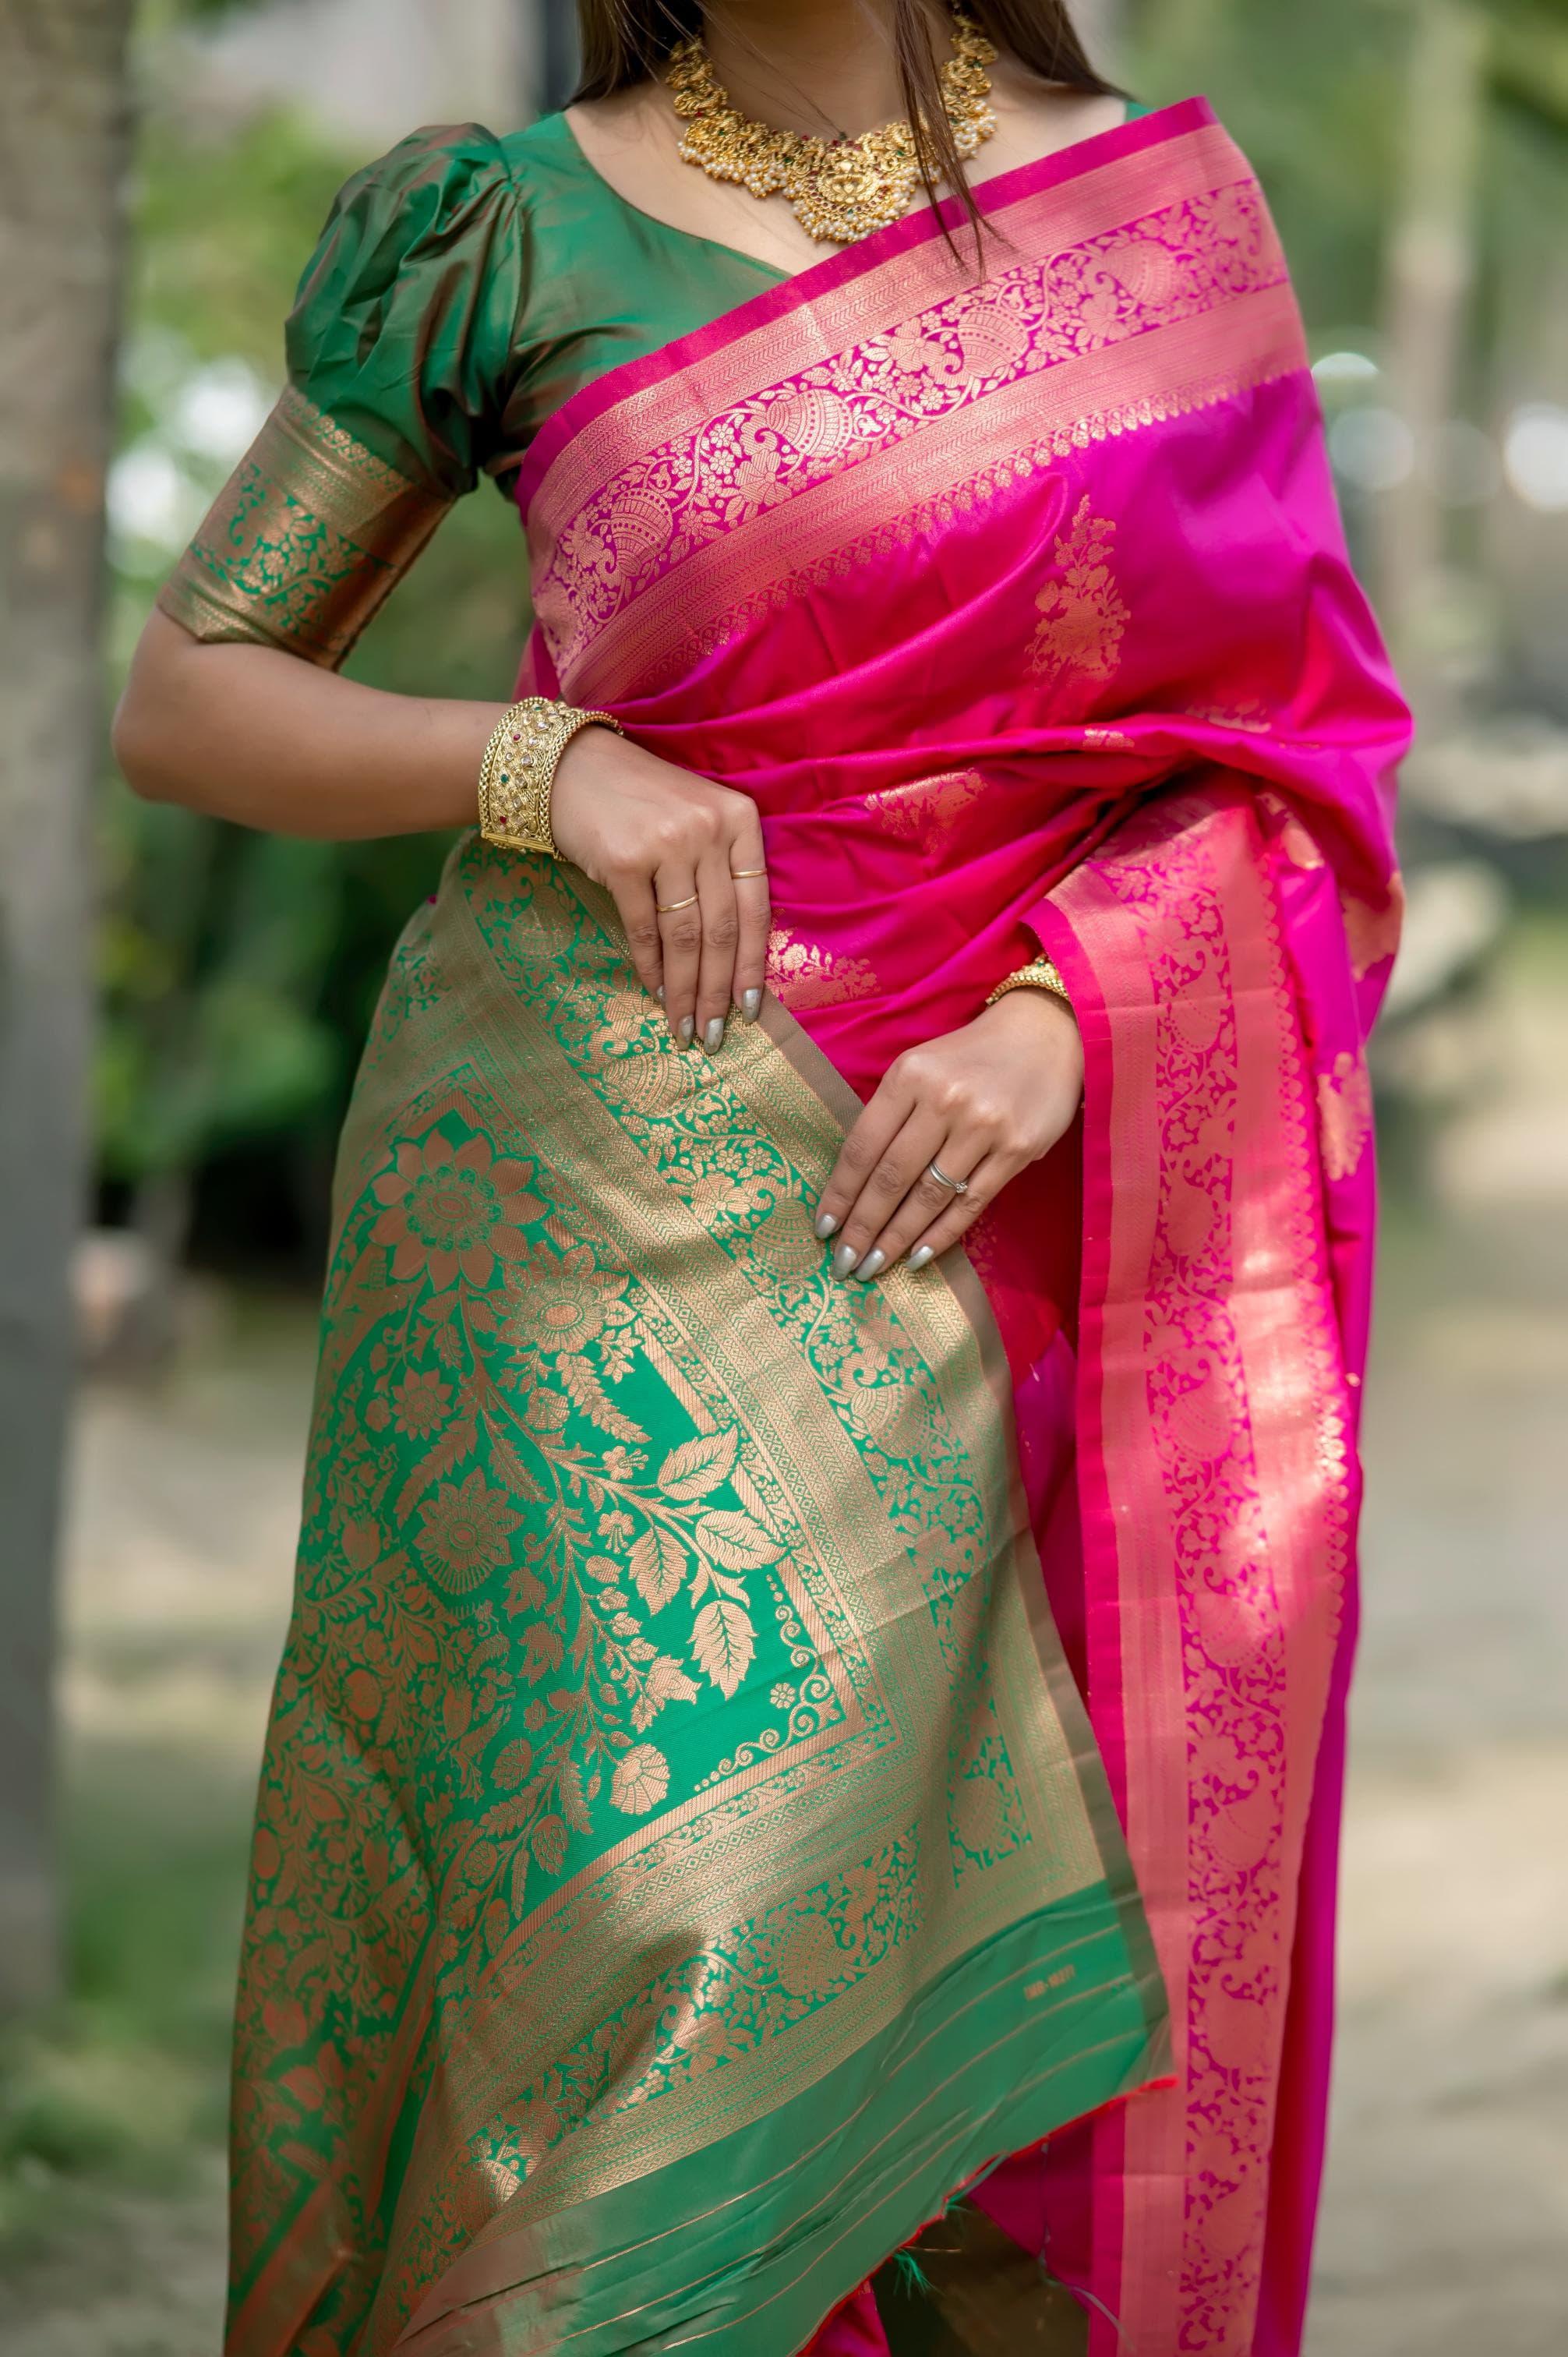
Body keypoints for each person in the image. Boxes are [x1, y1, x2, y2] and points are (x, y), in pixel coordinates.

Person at [115, 5, 1410, 2352]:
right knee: (650, 1961)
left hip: (1047, 1214)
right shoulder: (501, 237)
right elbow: (194, 691)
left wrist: (1075, 1012)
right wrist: (542, 763)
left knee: (1037, 2049)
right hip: (591, 1221)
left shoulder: (1160, 214)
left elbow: (1292, 752)